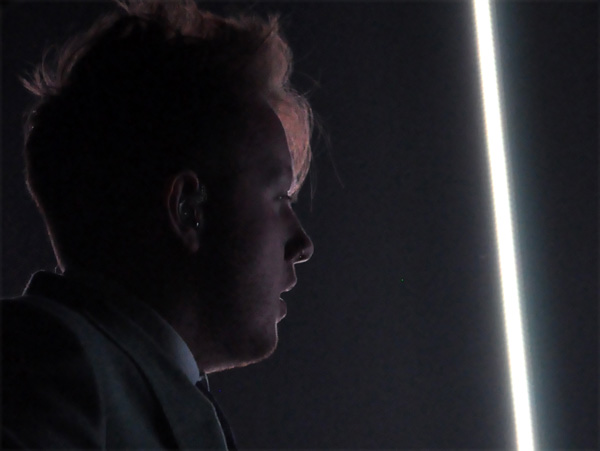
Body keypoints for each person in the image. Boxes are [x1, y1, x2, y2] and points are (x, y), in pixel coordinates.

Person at [1, 0, 314, 449]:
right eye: (280, 197)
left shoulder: (88, 377)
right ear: (188, 210)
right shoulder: (44, 362)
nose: (302, 243)